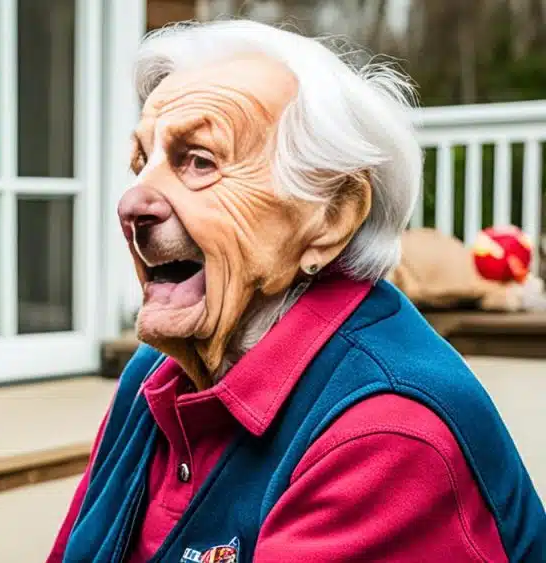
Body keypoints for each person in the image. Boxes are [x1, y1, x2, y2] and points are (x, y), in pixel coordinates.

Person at [48, 19, 545, 563]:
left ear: (331, 216)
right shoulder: (153, 375)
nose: (135, 200)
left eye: (200, 162)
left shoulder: (386, 434)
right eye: (144, 163)